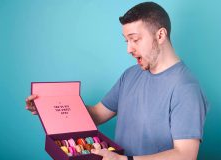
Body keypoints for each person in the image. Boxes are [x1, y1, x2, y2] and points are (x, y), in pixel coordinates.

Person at [26, 2, 207, 160]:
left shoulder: (186, 87)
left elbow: (185, 155)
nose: (129, 48)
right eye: (126, 41)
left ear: (160, 36)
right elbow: (96, 114)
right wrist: (47, 108)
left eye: (135, 39)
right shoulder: (129, 75)